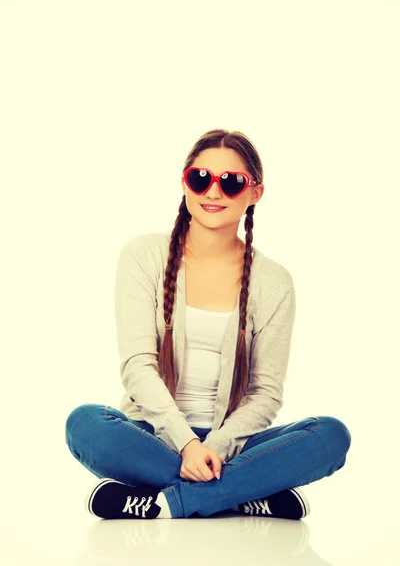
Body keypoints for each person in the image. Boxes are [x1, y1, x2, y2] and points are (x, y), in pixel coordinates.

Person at [65, 128, 351, 520]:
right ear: (185, 183)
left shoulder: (273, 282)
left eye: (231, 183)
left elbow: (265, 393)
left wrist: (214, 447)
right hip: (151, 438)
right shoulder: (143, 256)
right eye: (200, 178)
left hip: (232, 444)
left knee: (331, 436)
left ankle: (167, 502)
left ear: (255, 193)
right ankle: (244, 492)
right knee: (85, 424)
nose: (213, 193)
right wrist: (186, 446)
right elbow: (138, 368)